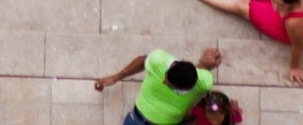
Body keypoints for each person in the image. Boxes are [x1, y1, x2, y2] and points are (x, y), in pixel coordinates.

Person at [169, 0, 303, 85]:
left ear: (291, 5)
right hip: (301, 8)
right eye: (273, 1)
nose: (273, 7)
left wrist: (294, 67)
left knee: (242, 5)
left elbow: (298, 46)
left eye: (279, 5)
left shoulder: (294, 22)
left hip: (300, 29)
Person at [93, 46, 221, 125]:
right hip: (138, 121)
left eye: (170, 86)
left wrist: (203, 64)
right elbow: (143, 60)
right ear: (173, 65)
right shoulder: (158, 60)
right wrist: (116, 77)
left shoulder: (204, 83)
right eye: (166, 79)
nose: (164, 82)